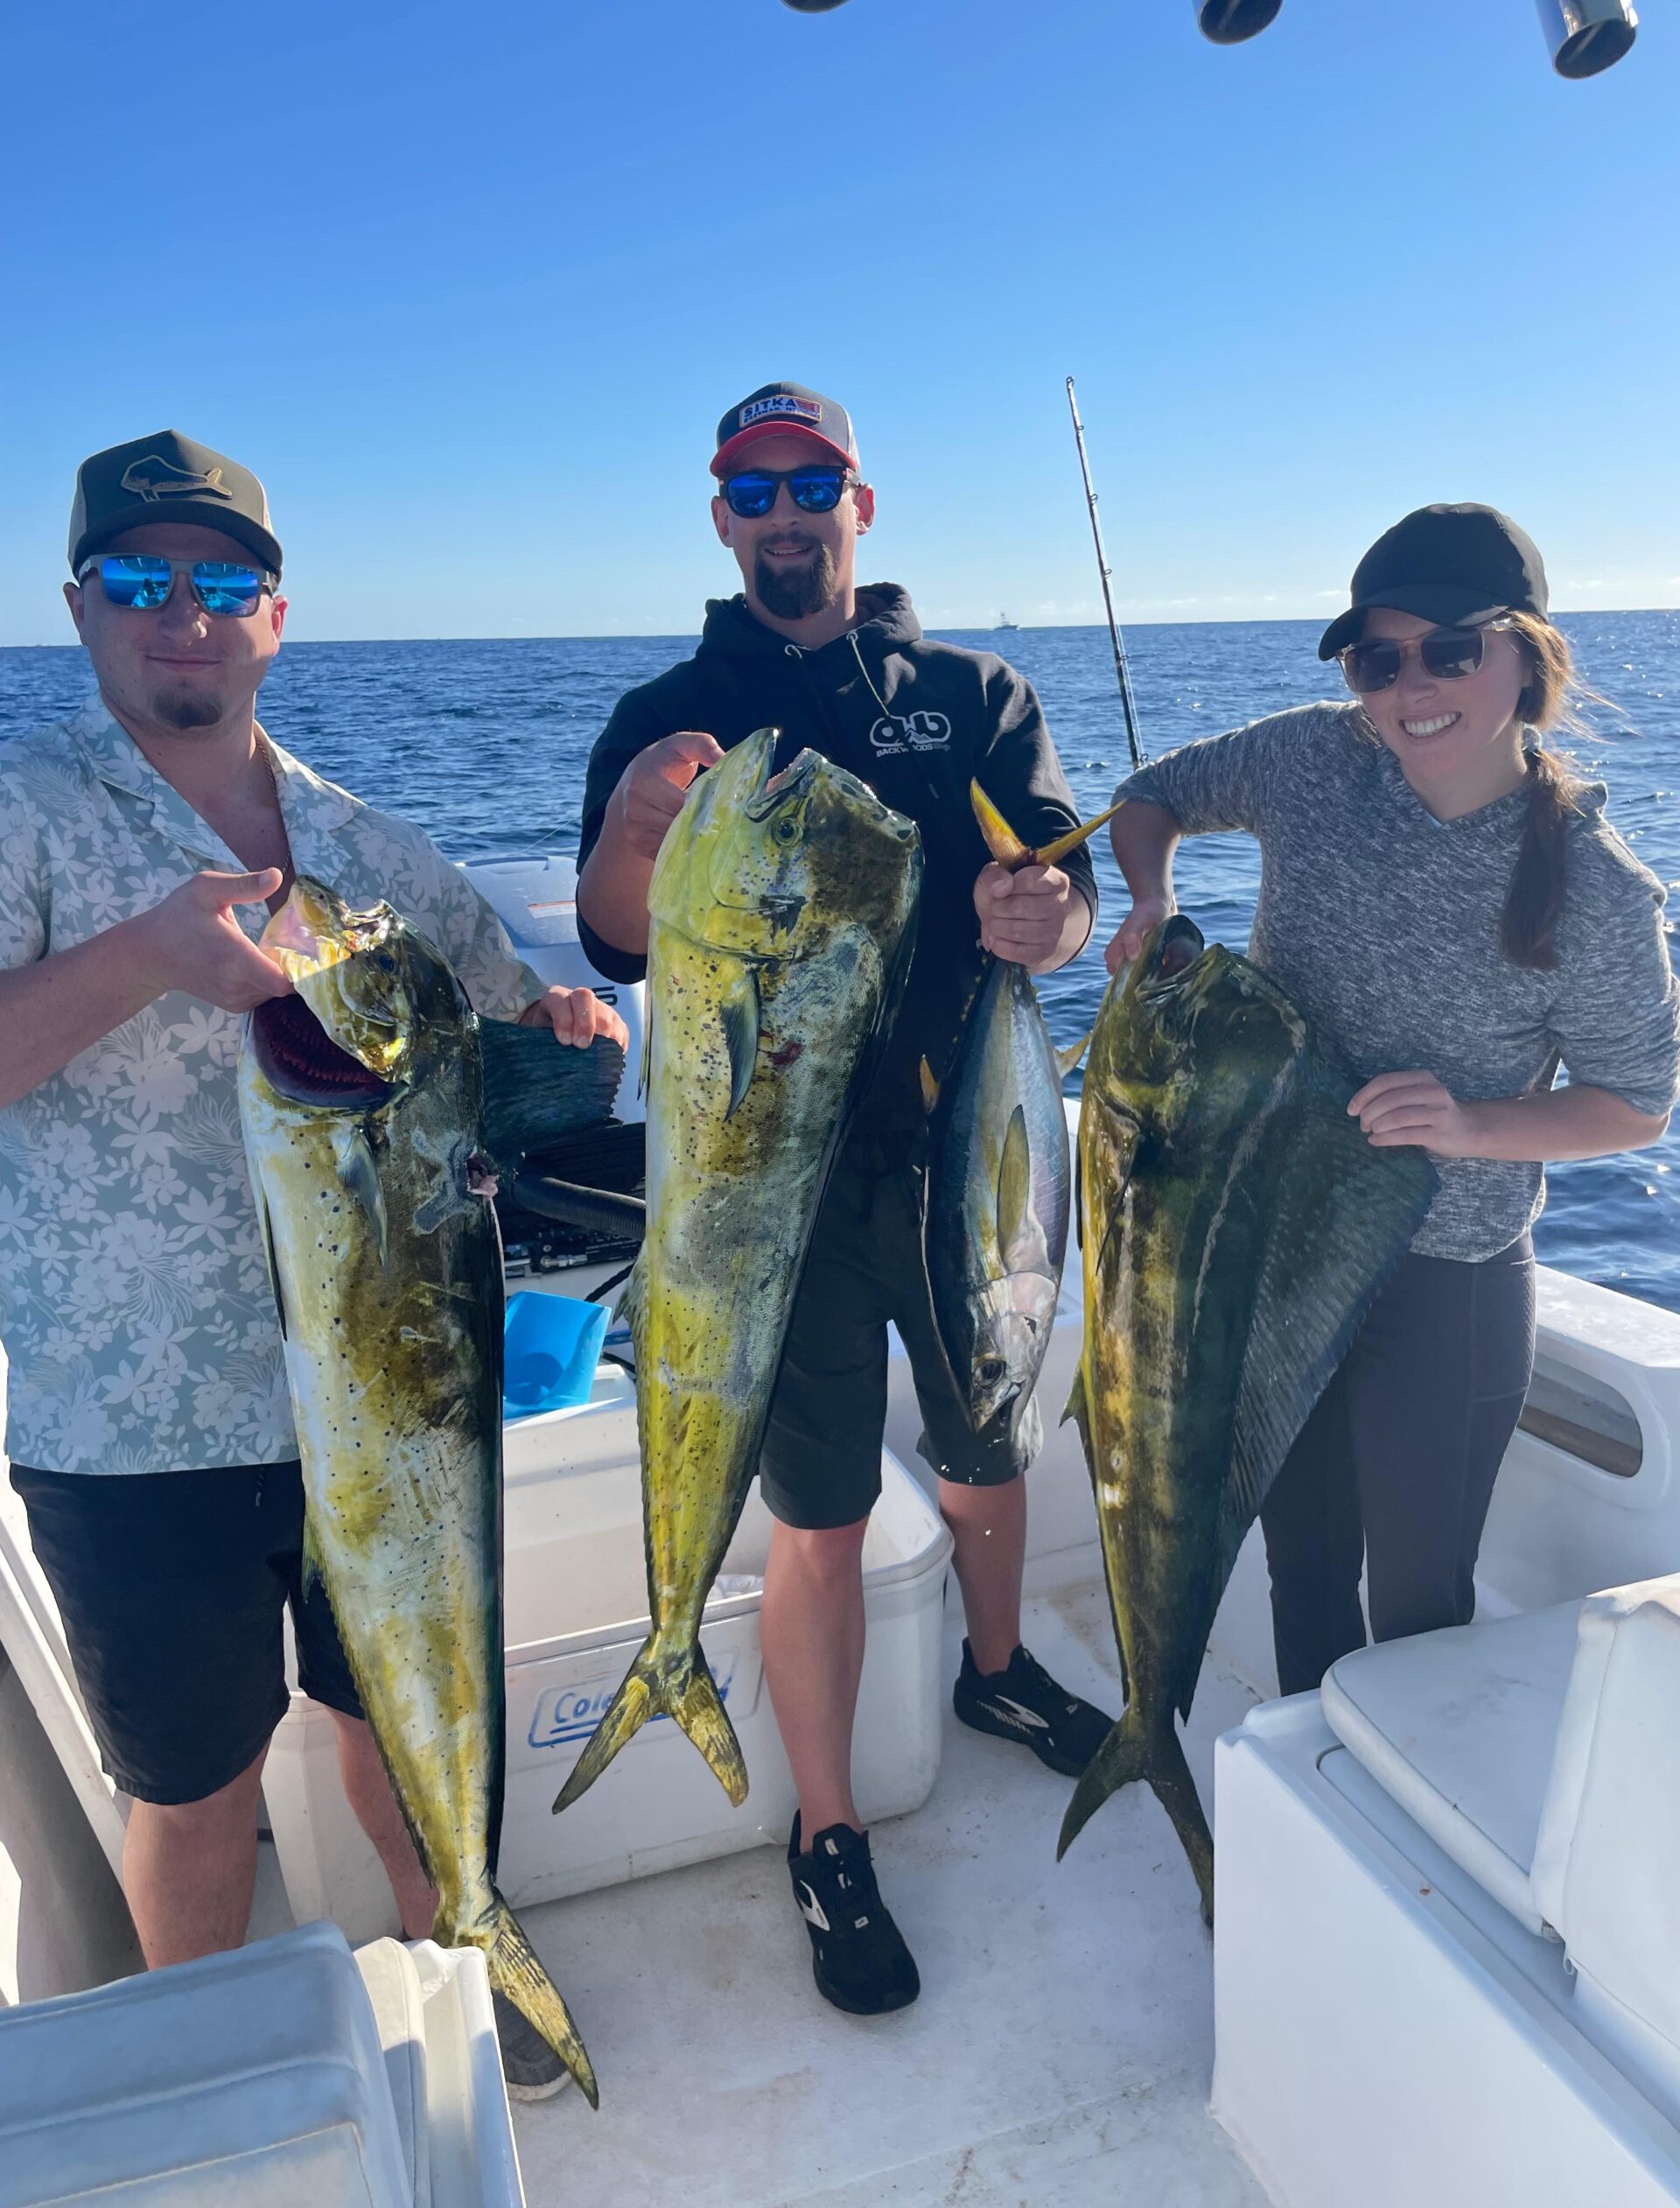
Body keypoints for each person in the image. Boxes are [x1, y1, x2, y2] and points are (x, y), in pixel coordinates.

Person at [0, 430, 625, 2100]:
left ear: (276, 615)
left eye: (222, 579)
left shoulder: (376, 852)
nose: (184, 612)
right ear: (79, 604)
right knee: (192, 1788)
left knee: (406, 1723)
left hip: (399, 1400)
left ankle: (468, 1954)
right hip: (138, 1422)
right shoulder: (21, 813)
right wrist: (144, 955)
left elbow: (517, 1025)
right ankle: (211, 2080)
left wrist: (577, 1027)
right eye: (140, 577)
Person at [575, 382, 1113, 2017]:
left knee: (989, 1452)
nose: (786, 516)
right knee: (814, 1517)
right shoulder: (672, 711)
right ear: (720, 520)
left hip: (964, 1154)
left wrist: (1050, 922)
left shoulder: (973, 693)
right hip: (765, 1194)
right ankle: (827, 1828)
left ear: (860, 505)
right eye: (753, 492)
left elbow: (1069, 888)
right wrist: (634, 826)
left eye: (812, 486)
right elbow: (610, 937)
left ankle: (997, 1673)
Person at [1105, 502, 1679, 1695]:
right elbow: (1152, 791)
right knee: (1303, 1574)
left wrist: (1470, 1125)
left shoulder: (1598, 889)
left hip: (1447, 1281)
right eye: (1379, 660)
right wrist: (1152, 895)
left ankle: (1398, 1799)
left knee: (1421, 1609)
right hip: (1276, 1252)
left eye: (1452, 651)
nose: (1413, 688)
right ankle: (1302, 1787)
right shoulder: (1314, 757)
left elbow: (1635, 1106)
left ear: (1530, 658)